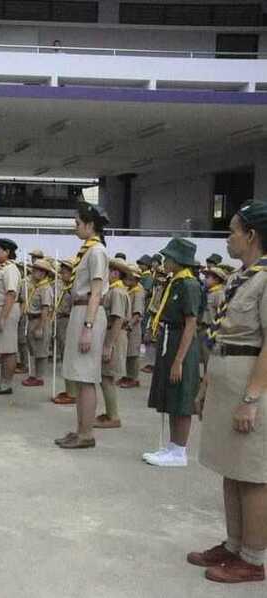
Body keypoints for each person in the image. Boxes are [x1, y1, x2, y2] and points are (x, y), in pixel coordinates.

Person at [192, 200, 267, 584]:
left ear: (251, 235)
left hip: (248, 380)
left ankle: (253, 559)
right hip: (225, 375)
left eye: (233, 230)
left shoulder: (265, 280)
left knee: (252, 473)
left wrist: (251, 399)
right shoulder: (241, 278)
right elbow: (220, 335)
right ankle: (234, 544)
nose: (227, 237)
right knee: (230, 467)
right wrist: (206, 384)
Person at [142, 237, 201, 466]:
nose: (164, 261)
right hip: (169, 339)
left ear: (178, 260)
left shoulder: (189, 284)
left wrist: (179, 360)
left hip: (180, 343)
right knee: (172, 396)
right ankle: (172, 446)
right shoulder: (174, 281)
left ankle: (179, 451)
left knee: (182, 397)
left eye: (168, 258)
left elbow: (191, 323)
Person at [55, 202, 109, 450]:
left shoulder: (97, 251)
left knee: (86, 377)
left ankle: (86, 434)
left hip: (89, 312)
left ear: (90, 225)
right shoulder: (87, 251)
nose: (75, 227)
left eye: (78, 223)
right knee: (78, 376)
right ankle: (80, 430)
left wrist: (88, 327)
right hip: (80, 310)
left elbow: (96, 292)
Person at [95, 258, 132, 429]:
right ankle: (110, 413)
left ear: (116, 273)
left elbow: (117, 319)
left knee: (107, 377)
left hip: (114, 336)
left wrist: (108, 346)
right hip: (112, 334)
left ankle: (113, 416)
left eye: (108, 271)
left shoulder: (117, 292)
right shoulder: (115, 290)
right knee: (105, 377)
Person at [0, 238, 21, 395]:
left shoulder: (10, 270)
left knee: (8, 349)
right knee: (3, 349)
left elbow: (11, 294)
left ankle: (6, 384)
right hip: (0, 309)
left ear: (7, 252)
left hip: (5, 310)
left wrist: (3, 318)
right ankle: (2, 381)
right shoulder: (4, 269)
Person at [22, 258, 55, 387]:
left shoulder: (45, 288)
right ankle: (33, 374)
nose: (37, 272)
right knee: (34, 349)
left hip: (40, 320)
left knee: (41, 350)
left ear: (45, 273)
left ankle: (39, 377)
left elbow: (45, 309)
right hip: (32, 319)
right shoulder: (34, 286)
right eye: (35, 269)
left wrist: (40, 327)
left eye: (41, 271)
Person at [53, 258, 79, 405]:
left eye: (65, 271)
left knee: (69, 357)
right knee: (64, 355)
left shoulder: (74, 288)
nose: (62, 274)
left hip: (69, 320)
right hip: (61, 320)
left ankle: (72, 392)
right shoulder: (64, 286)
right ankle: (69, 389)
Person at [120, 264, 146, 389]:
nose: (126, 280)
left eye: (129, 278)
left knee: (133, 354)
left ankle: (134, 378)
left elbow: (137, 313)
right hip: (127, 325)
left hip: (133, 327)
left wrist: (129, 325)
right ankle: (127, 375)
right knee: (127, 353)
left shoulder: (138, 292)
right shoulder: (129, 290)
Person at [200, 267, 227, 373]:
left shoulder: (219, 294)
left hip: (210, 330)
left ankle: (208, 378)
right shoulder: (207, 293)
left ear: (216, 279)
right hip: (201, 328)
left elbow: (221, 315)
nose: (205, 279)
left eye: (208, 277)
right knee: (202, 357)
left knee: (208, 359)